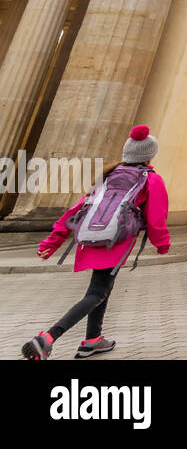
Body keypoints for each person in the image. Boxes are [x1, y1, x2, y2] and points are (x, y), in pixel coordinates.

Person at [22, 125, 171, 360]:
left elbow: (77, 209)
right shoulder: (150, 179)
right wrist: (162, 243)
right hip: (116, 241)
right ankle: (47, 338)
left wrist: (52, 242)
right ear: (149, 155)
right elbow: (157, 216)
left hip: (90, 239)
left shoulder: (108, 175)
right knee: (97, 292)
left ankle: (92, 340)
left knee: (102, 288)